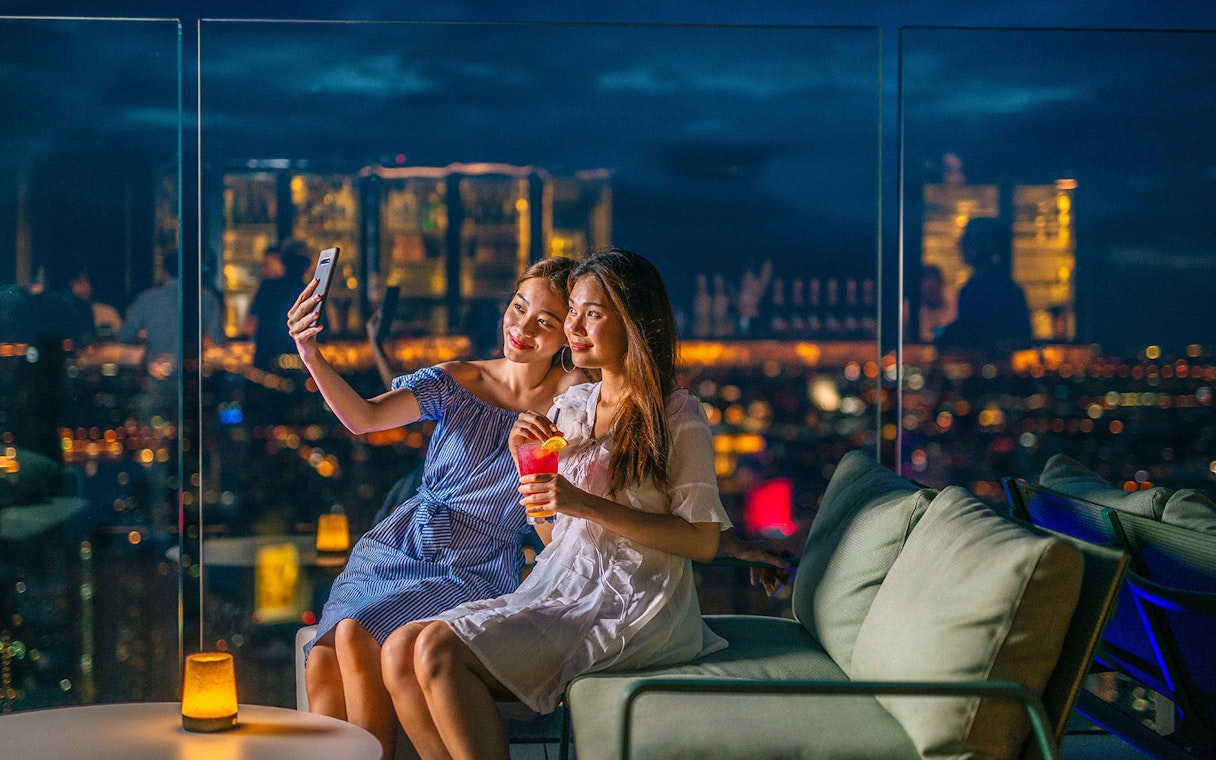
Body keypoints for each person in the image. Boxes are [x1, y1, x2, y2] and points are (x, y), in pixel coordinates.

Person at [378, 248, 733, 760]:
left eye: (592, 313)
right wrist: (528, 466)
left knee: (435, 649)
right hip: (562, 585)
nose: (574, 327)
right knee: (398, 649)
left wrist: (585, 503)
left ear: (632, 323)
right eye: (573, 313)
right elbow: (553, 537)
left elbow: (701, 542)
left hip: (635, 602)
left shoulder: (677, 415)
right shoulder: (572, 409)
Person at [287, 256, 587, 755]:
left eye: (545, 322)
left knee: (355, 634)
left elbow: (560, 507)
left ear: (566, 335)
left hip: (478, 564)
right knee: (322, 660)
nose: (522, 327)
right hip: (399, 547)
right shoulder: (457, 379)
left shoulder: (572, 404)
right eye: (518, 307)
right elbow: (364, 418)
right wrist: (308, 351)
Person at [936, 217, 1032, 355]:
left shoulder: (1005, 291)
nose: (961, 246)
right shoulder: (970, 289)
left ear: (987, 245)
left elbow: (1020, 340)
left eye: (970, 240)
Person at [247, 238, 313, 372]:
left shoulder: (267, 287)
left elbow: (249, 324)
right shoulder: (312, 293)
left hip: (266, 363)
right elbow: (324, 332)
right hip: (302, 366)